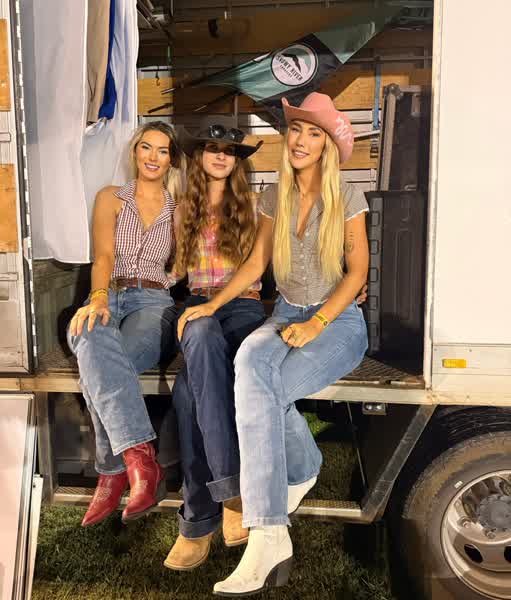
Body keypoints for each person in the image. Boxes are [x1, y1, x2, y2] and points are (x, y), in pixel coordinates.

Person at [177, 92, 369, 596]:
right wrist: (213, 305)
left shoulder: (348, 196)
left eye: (313, 133)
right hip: (284, 312)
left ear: (327, 145)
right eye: (296, 130)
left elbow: (358, 272)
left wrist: (319, 322)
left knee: (265, 391)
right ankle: (294, 483)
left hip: (339, 321)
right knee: (248, 364)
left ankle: (268, 530)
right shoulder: (272, 196)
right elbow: (256, 265)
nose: (301, 140)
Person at [67, 121, 185, 527]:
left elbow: (186, 259)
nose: (153, 157)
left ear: (171, 159)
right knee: (88, 335)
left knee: (103, 367)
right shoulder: (110, 197)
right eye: (146, 147)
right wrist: (98, 297)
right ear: (135, 152)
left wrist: (169, 280)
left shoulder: (179, 207)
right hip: (109, 291)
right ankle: (140, 461)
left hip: (153, 300)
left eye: (163, 150)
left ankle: (110, 470)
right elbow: (103, 255)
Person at [163, 122, 267, 571]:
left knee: (189, 393)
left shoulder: (256, 206)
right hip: (198, 303)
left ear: (238, 160)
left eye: (230, 150)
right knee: (200, 333)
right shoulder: (183, 208)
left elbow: (277, 256)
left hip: (242, 305)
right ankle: (232, 493)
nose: (221, 155)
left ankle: (196, 522)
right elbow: (172, 270)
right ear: (200, 156)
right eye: (212, 147)